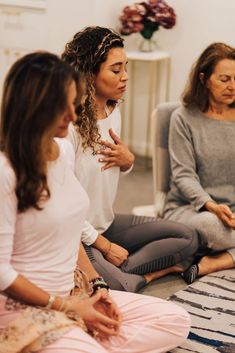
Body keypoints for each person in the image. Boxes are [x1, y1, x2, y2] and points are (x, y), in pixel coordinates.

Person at [0, 51, 190, 353]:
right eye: (63, 107)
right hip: (24, 309)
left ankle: (80, 340)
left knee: (174, 320)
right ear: (33, 106)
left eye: (73, 104)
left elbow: (71, 231)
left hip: (74, 291)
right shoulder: (5, 171)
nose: (73, 116)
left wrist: (98, 287)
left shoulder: (60, 150)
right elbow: (3, 274)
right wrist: (67, 307)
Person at [61, 26, 198, 292]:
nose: (125, 77)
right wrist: (104, 246)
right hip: (77, 236)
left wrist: (128, 162)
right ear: (89, 72)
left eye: (126, 67)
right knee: (117, 286)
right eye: (116, 70)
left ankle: (110, 272)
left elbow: (108, 169)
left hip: (106, 222)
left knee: (188, 237)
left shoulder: (112, 110)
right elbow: (62, 205)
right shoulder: (67, 125)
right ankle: (138, 275)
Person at [163, 42, 235, 284]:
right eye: (224, 79)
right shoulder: (183, 118)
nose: (232, 86)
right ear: (204, 79)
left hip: (233, 213)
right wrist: (212, 205)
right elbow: (183, 176)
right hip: (194, 209)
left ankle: (214, 262)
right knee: (214, 229)